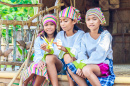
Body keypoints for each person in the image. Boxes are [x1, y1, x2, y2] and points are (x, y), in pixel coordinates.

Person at [66, 7, 115, 86]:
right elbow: (82, 53)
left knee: (86, 69)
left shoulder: (106, 35)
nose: (91, 22)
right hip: (89, 63)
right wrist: (80, 65)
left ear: (100, 21)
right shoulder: (85, 36)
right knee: (70, 68)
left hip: (103, 64)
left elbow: (99, 54)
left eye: (94, 19)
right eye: (88, 19)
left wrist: (83, 65)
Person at [45, 6, 85, 86]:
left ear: (74, 21)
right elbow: (56, 52)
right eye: (61, 21)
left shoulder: (80, 34)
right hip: (61, 65)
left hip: (75, 64)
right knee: (48, 57)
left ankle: (71, 85)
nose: (62, 24)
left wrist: (65, 49)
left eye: (65, 21)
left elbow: (78, 52)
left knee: (67, 56)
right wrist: (48, 50)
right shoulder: (60, 34)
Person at [21, 14, 57, 86]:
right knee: (39, 65)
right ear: (43, 27)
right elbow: (37, 54)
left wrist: (49, 50)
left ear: (55, 26)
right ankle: (25, 83)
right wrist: (39, 61)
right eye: (46, 25)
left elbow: (58, 54)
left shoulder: (58, 38)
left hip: (53, 65)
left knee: (43, 66)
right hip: (40, 63)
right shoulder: (39, 39)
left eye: (51, 24)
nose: (49, 27)